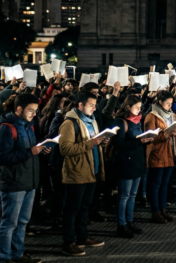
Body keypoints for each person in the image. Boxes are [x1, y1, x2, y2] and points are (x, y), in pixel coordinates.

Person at [0, 93, 47, 263]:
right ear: (18, 109)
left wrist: (40, 149)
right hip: (13, 182)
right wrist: (30, 152)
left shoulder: (28, 126)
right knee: (9, 223)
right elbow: (1, 157)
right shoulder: (6, 128)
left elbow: (28, 151)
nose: (34, 114)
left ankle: (18, 254)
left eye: (36, 111)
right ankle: (4, 258)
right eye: (31, 110)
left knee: (22, 221)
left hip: (28, 181)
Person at [59, 90, 106, 257]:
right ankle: (68, 242)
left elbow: (93, 142)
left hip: (91, 171)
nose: (94, 108)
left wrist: (101, 141)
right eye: (91, 105)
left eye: (95, 105)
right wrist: (91, 143)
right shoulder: (70, 123)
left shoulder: (91, 121)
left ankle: (82, 237)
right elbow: (65, 149)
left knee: (84, 208)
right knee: (72, 209)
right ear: (80, 105)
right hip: (76, 172)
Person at [111, 95, 152, 238]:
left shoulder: (137, 121)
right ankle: (120, 225)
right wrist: (140, 142)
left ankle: (130, 221)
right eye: (137, 107)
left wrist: (147, 140)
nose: (139, 110)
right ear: (128, 107)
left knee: (133, 195)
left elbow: (138, 141)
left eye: (141, 107)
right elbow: (119, 144)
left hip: (138, 162)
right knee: (124, 196)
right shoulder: (120, 122)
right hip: (126, 163)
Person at [144, 91, 176, 222]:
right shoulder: (151, 116)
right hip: (157, 154)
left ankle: (163, 209)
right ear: (160, 102)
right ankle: (155, 211)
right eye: (167, 103)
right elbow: (150, 136)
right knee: (156, 184)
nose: (169, 106)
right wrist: (166, 134)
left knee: (165, 184)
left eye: (171, 104)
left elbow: (175, 134)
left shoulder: (172, 115)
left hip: (170, 152)